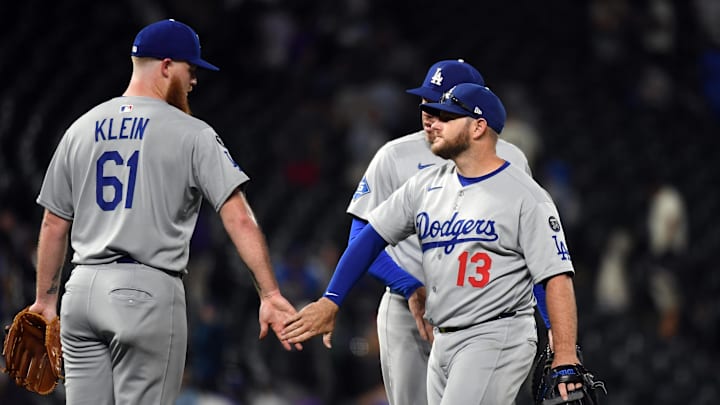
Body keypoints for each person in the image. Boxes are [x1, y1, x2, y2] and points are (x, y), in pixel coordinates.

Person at [25, 18, 301, 404]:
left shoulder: (81, 128)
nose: (194, 81)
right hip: (146, 291)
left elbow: (54, 222)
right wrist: (269, 294)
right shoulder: (192, 132)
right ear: (167, 66)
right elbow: (238, 216)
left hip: (81, 291)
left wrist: (45, 302)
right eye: (191, 69)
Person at [282, 83, 582, 404]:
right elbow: (368, 238)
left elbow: (554, 276)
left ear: (478, 127)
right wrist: (331, 300)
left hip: (496, 334)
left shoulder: (526, 196)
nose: (432, 123)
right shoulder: (425, 186)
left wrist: (564, 350)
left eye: (448, 117)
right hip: (442, 338)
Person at [344, 59, 550, 405]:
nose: (429, 110)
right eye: (426, 100)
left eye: (442, 103)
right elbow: (359, 239)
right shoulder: (394, 156)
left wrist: (552, 327)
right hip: (406, 311)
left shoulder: (511, 159)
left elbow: (533, 249)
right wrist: (407, 286)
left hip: (483, 313)